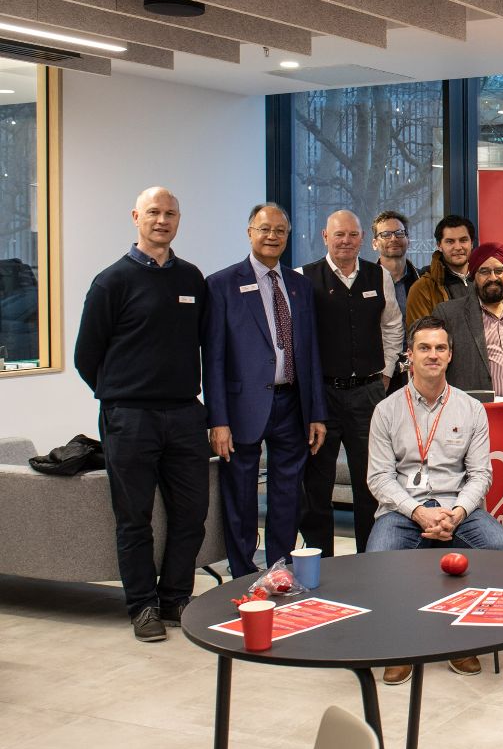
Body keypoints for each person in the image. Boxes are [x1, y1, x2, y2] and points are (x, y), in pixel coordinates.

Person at [75, 187, 211, 642]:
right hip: (130, 417)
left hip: (184, 415)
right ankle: (143, 606)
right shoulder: (111, 281)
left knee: (191, 512)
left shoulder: (192, 279)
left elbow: (206, 347)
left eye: (171, 213)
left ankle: (175, 597)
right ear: (136, 217)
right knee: (133, 518)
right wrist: (117, 396)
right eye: (154, 212)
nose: (162, 220)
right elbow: (85, 355)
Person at [367, 316, 503, 684]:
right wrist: (418, 512)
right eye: (424, 348)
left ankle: (462, 639)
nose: (432, 355)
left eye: (439, 348)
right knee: (377, 558)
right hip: (403, 509)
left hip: (457, 508)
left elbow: (481, 474)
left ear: (450, 355)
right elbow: (379, 477)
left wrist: (458, 512)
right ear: (410, 355)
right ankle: (400, 645)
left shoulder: (470, 409)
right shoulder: (386, 410)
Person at [204, 203, 327, 579]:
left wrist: (317, 411)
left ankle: (279, 569)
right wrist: (218, 420)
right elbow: (213, 359)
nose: (272, 236)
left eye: (280, 231)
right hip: (242, 406)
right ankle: (242, 573)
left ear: (287, 237)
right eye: (264, 229)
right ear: (249, 232)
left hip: (292, 402)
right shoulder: (221, 285)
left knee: (287, 494)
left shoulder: (299, 285)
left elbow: (311, 353)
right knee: (240, 494)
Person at [296, 210, 404, 555]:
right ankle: (319, 562)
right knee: (317, 483)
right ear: (325, 237)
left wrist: (386, 373)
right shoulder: (304, 277)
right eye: (338, 234)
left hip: (369, 394)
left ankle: (368, 560)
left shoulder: (378, 276)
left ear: (362, 239)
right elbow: (299, 338)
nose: (345, 241)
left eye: (353, 235)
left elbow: (392, 326)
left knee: (370, 483)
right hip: (322, 396)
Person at [432, 242, 503, 397]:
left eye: (499, 271)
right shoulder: (449, 314)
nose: (493, 278)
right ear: (474, 275)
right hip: (475, 410)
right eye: (484, 272)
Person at [405, 214, 477, 327]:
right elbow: (421, 339)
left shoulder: (484, 281)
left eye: (463, 240)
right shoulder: (422, 289)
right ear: (439, 245)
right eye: (450, 241)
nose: (458, 247)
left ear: (471, 243)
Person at [372, 209, 420, 314]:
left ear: (408, 240)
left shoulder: (423, 281)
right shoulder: (366, 282)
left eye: (399, 233)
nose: (393, 239)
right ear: (375, 244)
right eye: (385, 234)